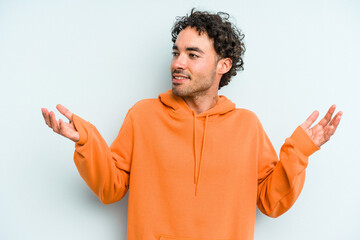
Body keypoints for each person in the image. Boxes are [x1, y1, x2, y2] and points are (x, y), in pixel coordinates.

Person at [41, 9, 342, 240]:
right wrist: (86, 141)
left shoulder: (247, 126)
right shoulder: (143, 116)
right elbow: (111, 188)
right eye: (176, 52)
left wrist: (300, 150)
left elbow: (271, 202)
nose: (177, 63)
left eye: (192, 54)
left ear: (222, 65)